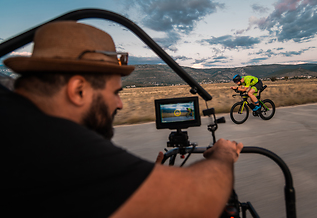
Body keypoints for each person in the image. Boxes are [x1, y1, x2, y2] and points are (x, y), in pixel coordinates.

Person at [1, 21, 243, 218]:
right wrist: (223, 154)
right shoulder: (56, 143)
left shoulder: (14, 118)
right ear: (78, 90)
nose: (121, 104)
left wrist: (137, 182)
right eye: (115, 93)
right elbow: (201, 200)